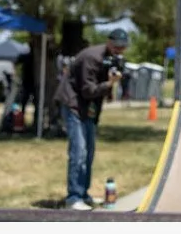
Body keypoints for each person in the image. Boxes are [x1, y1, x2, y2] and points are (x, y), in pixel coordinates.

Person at [54, 29, 128, 211]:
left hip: (88, 108)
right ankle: (73, 198)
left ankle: (83, 194)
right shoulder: (91, 58)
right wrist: (110, 84)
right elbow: (88, 90)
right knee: (79, 152)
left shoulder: (113, 59)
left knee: (89, 153)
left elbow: (99, 90)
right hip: (73, 104)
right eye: (117, 46)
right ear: (109, 42)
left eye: (123, 47)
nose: (120, 50)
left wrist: (111, 86)